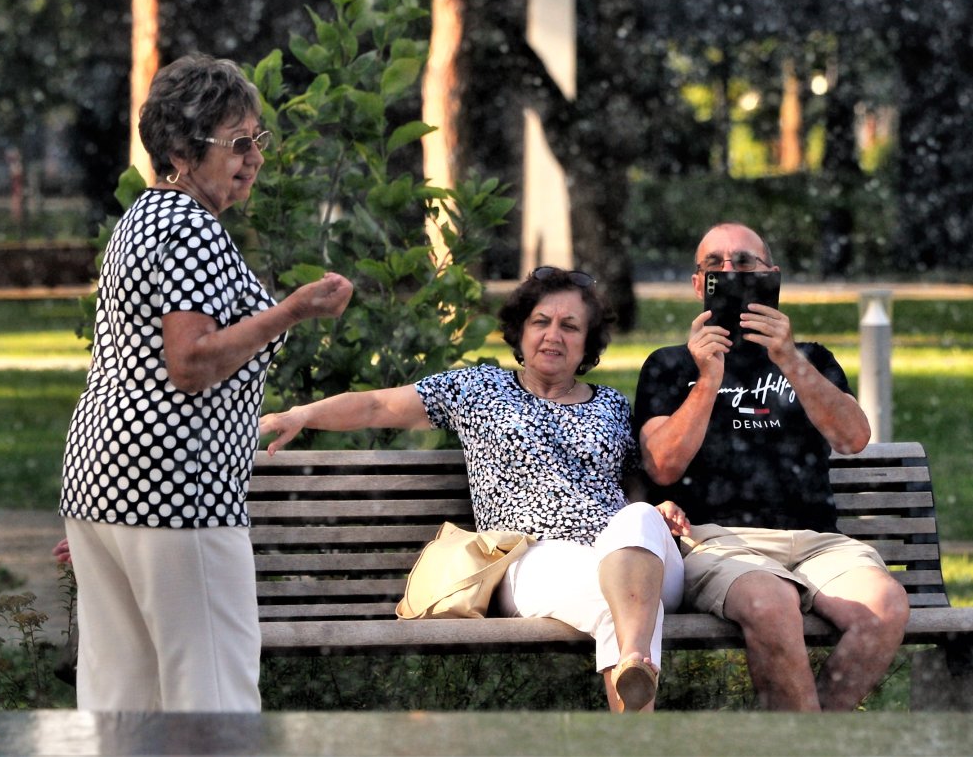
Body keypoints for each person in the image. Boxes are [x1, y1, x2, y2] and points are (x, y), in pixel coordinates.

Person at [58, 54, 354, 712]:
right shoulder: (189, 226)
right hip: (178, 491)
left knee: (120, 696)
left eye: (258, 140)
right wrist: (292, 311)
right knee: (214, 691)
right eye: (237, 143)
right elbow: (189, 364)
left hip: (107, 483)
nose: (254, 157)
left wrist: (114, 497)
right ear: (181, 151)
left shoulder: (144, 217)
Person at [259, 266, 685, 712]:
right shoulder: (479, 388)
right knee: (621, 604)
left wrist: (659, 508)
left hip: (630, 555)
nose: (552, 335)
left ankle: (634, 657)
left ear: (588, 343)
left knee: (635, 525)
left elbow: (634, 489)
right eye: (540, 322)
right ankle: (636, 674)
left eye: (570, 325)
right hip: (532, 558)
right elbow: (377, 404)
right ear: (520, 332)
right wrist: (301, 416)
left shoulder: (613, 405)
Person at [633, 222, 909, 712]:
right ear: (698, 285)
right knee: (771, 604)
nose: (729, 272)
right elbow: (662, 467)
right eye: (714, 265)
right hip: (718, 541)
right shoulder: (670, 365)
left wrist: (789, 359)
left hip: (817, 543)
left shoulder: (811, 358)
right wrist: (707, 378)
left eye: (744, 264)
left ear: (772, 277)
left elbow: (853, 437)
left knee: (885, 609)